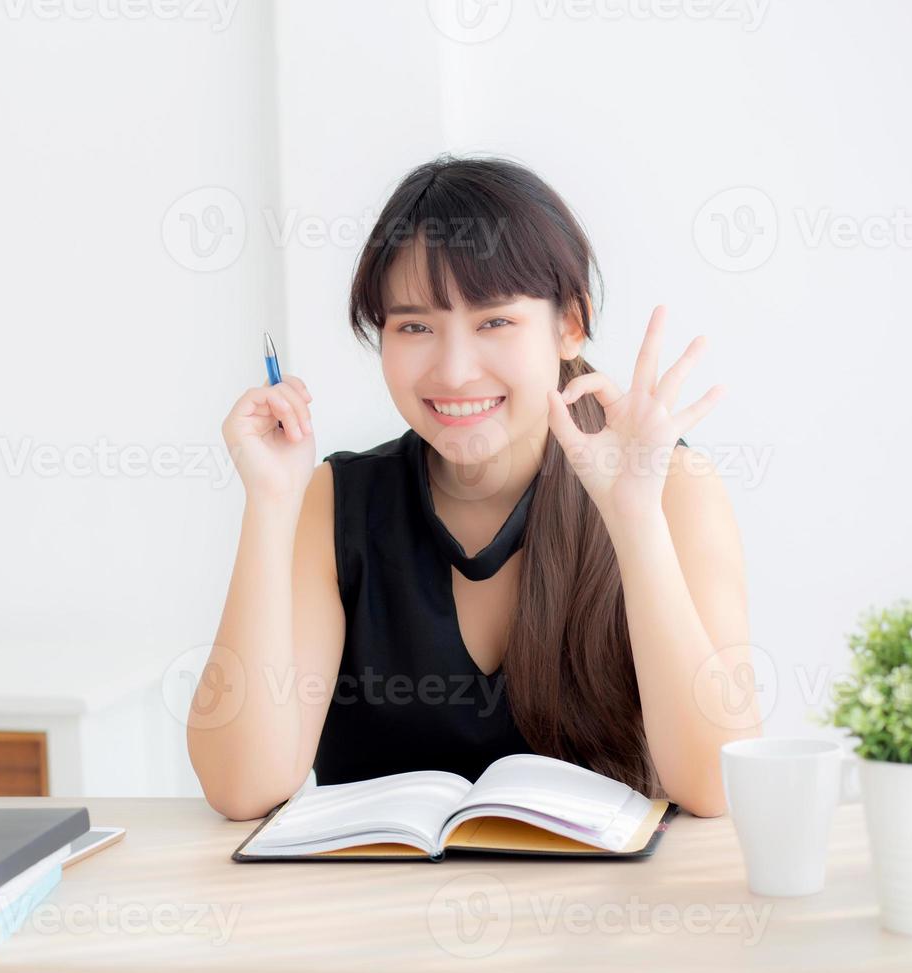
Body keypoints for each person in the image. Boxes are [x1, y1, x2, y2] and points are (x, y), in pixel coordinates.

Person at [190, 155, 758, 821]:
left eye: (494, 321)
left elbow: (718, 787)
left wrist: (633, 520)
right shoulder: (335, 500)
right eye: (414, 326)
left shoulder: (674, 489)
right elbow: (242, 787)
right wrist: (271, 503)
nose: (454, 371)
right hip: (373, 918)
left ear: (570, 323)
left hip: (608, 918)